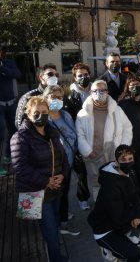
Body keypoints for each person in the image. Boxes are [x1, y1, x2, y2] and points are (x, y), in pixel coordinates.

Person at [11, 96, 69, 262]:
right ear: (28, 114)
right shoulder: (20, 137)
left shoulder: (52, 132)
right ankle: (56, 258)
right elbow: (20, 168)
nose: (41, 115)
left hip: (55, 190)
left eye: (44, 112)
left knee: (53, 228)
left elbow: (63, 156)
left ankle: (53, 255)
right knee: (50, 232)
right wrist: (46, 181)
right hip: (36, 193)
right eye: (36, 112)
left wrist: (63, 174)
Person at [88, 145, 140, 262]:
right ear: (116, 162)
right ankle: (107, 246)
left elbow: (135, 196)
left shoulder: (128, 173)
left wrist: (139, 214)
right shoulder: (111, 185)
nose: (128, 163)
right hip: (105, 230)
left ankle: (132, 236)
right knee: (134, 254)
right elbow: (119, 218)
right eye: (123, 160)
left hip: (118, 221)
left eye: (130, 159)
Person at [76, 80, 133, 202]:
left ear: (107, 92)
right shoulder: (82, 114)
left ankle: (116, 206)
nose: (99, 93)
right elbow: (80, 135)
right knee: (96, 183)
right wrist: (88, 151)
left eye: (102, 90)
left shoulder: (117, 110)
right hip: (94, 155)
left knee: (116, 181)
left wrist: (123, 147)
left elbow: (128, 128)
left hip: (114, 154)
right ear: (90, 92)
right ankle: (99, 207)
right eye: (95, 90)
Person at [43, 85, 80, 236]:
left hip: (68, 162)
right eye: (53, 97)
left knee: (64, 193)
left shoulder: (66, 115)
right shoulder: (44, 119)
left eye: (60, 97)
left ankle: (62, 221)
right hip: (53, 166)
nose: (57, 100)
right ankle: (57, 223)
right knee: (53, 196)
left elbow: (74, 136)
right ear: (45, 99)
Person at [63, 62, 92, 211]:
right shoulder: (68, 95)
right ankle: (83, 198)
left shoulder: (95, 90)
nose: (83, 77)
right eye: (80, 75)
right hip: (78, 136)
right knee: (81, 171)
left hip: (95, 134)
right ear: (74, 77)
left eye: (86, 74)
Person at [15, 64, 58, 129]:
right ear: (41, 77)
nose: (54, 77)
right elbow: (19, 123)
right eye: (50, 74)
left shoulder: (59, 95)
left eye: (56, 75)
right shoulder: (29, 96)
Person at [0, 46, 21, 175]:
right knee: (1, 133)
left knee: (13, 130)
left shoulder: (8, 62)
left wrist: (2, 69)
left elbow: (17, 74)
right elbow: (11, 74)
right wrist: (7, 73)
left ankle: (8, 155)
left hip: (11, 102)